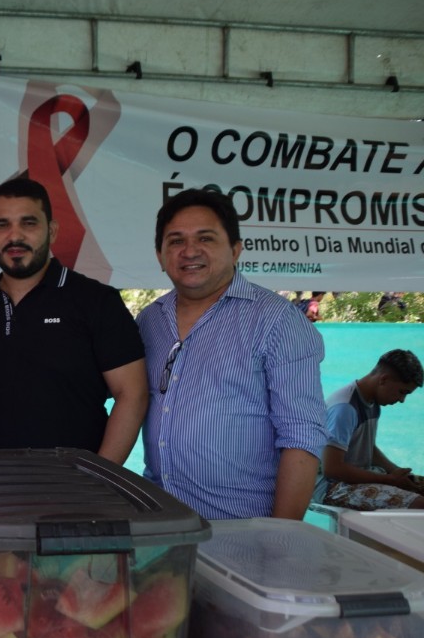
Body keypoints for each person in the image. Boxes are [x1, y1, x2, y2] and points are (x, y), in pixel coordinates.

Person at [137, 188, 327, 520]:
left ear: (235, 250)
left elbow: (301, 437)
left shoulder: (276, 319)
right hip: (160, 526)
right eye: (176, 241)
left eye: (206, 239)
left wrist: (280, 536)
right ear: (159, 255)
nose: (189, 251)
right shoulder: (149, 321)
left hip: (244, 530)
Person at [0, 176, 147, 463]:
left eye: (29, 223)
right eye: (2, 224)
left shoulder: (97, 301)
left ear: (52, 230)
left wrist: (101, 478)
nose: (15, 236)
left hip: (76, 492)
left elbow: (132, 395)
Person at [314, 349, 423, 510]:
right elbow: (332, 468)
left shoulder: (372, 402)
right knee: (420, 504)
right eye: (402, 392)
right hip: (332, 488)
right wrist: (388, 480)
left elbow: (368, 447)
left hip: (361, 476)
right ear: (383, 379)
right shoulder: (345, 408)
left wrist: (397, 472)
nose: (402, 400)